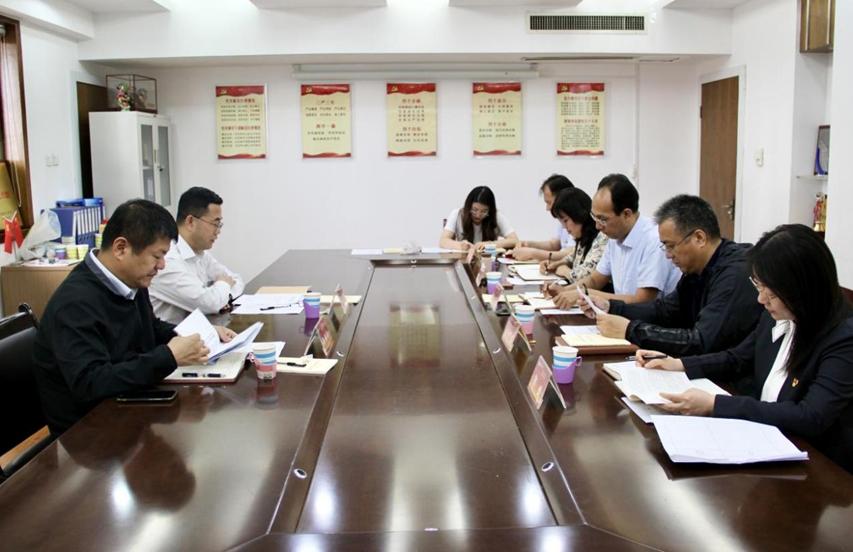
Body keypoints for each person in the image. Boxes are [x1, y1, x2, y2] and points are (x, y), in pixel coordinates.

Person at [636, 224, 853, 473]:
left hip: (819, 465)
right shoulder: (777, 312)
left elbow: (810, 417)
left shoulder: (843, 337)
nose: (761, 299)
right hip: (765, 439)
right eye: (758, 286)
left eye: (771, 293)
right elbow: (738, 357)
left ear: (802, 289)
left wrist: (716, 405)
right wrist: (678, 364)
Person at [32, 199, 236, 435]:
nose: (161, 266)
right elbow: (90, 383)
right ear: (121, 248)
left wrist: (197, 334)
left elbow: (149, 327)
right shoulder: (75, 303)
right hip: (88, 434)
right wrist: (169, 356)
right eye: (157, 256)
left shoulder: (130, 280)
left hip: (128, 406)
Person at [581, 195, 762, 356]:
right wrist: (611, 307)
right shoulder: (696, 268)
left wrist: (630, 330)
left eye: (671, 246)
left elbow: (701, 341)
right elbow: (665, 311)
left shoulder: (734, 274)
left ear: (699, 238)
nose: (668, 255)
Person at [548, 173, 680, 308]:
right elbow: (595, 279)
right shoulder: (614, 235)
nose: (597, 226)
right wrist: (565, 291)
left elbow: (643, 301)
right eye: (594, 217)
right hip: (623, 315)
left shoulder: (654, 240)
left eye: (602, 219)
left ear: (627, 214)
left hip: (649, 318)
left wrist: (584, 294)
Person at [150, 187, 244, 324]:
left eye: (220, 224)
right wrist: (222, 286)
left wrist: (224, 296)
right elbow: (210, 303)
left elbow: (236, 279)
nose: (218, 231)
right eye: (215, 223)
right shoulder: (167, 260)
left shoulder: (199, 252)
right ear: (190, 222)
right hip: (171, 335)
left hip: (198, 330)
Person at [539, 187, 607, 284]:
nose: (564, 227)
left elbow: (585, 277)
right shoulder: (584, 237)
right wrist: (556, 264)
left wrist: (564, 270)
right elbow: (573, 257)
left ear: (578, 215)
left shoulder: (602, 237)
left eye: (566, 220)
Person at [511, 174, 575, 261]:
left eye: (549, 202)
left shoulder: (576, 218)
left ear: (562, 198)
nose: (547, 208)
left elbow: (571, 253)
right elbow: (555, 245)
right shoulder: (564, 217)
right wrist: (528, 244)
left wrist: (533, 253)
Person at [439, 185, 519, 251]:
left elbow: (515, 240)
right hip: (463, 260)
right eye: (474, 210)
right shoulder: (457, 214)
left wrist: (489, 244)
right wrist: (461, 245)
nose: (478, 215)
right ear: (468, 206)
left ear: (490, 210)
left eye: (484, 211)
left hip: (489, 261)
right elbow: (443, 241)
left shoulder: (496, 216)